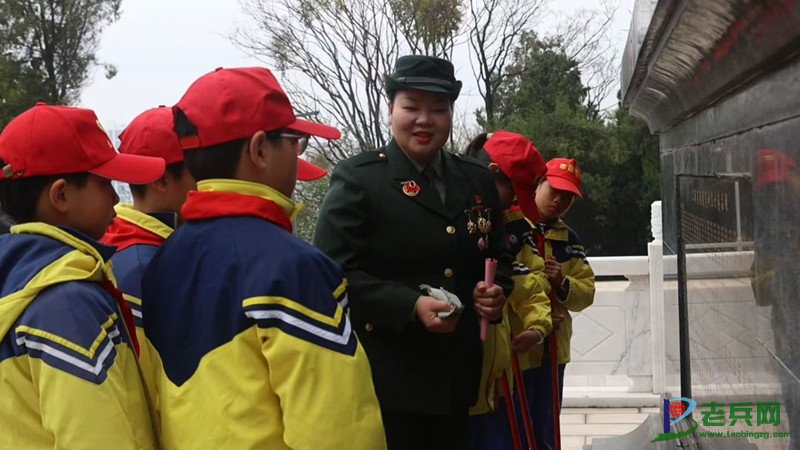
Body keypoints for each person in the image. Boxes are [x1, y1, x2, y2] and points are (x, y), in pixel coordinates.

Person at [140, 67, 386, 450]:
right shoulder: (293, 267)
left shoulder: (164, 258)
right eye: (294, 141)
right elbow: (337, 430)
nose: (298, 154)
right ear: (259, 150)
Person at [314, 55, 514, 450]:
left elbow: (499, 255)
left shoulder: (475, 179)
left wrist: (495, 293)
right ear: (391, 110)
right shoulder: (361, 179)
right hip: (388, 379)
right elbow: (332, 272)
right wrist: (410, 305)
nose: (424, 120)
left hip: (457, 374)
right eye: (411, 107)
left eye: (438, 109)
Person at [0, 103, 165, 449]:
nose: (115, 197)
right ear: (61, 195)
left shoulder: (18, 279)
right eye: (104, 182)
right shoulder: (66, 305)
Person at [462, 131, 552, 450]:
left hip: (497, 379)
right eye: (512, 191)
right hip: (455, 384)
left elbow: (529, 280)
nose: (513, 201)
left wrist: (538, 326)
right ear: (491, 173)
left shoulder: (508, 226)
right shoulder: (447, 216)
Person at [100, 106, 196, 401]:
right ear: (162, 180)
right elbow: (154, 388)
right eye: (198, 170)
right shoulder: (148, 266)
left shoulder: (117, 241)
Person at [522, 157, 596, 450]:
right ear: (538, 184)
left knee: (547, 425)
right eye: (554, 190)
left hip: (552, 349)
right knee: (515, 423)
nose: (559, 201)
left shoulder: (569, 240)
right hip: (518, 346)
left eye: (568, 197)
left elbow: (586, 292)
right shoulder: (515, 228)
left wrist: (562, 282)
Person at [750, 148, 800, 448]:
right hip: (790, 342)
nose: (778, 196)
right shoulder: (770, 230)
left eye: (782, 185)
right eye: (770, 190)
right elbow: (762, 294)